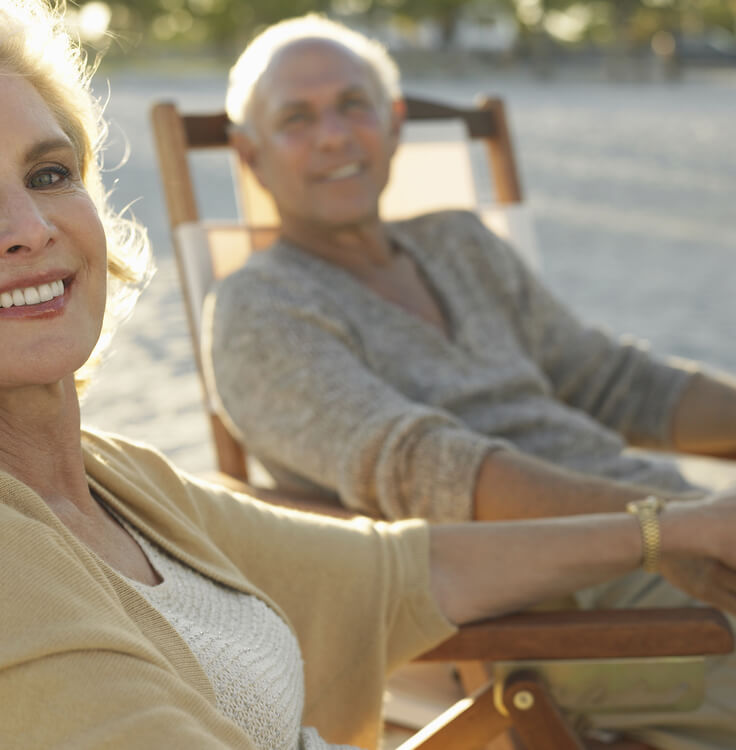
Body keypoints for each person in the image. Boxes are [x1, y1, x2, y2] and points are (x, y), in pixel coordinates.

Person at [0, 2, 736, 749]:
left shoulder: (111, 480)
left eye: (48, 173)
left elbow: (395, 565)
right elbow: (432, 478)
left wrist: (671, 528)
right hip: (589, 637)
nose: (30, 228)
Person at [203, 13, 736, 749]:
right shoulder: (260, 309)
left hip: (670, 539)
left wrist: (691, 519)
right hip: (538, 605)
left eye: (353, 105)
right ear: (249, 155)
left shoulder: (458, 242)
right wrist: (665, 526)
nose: (333, 135)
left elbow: (616, 381)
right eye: (296, 118)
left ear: (392, 125)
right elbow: (436, 476)